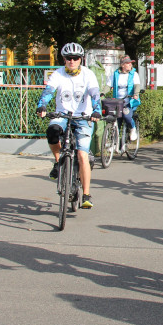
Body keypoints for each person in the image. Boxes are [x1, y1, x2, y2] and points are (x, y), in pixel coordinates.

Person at [36, 43, 102, 209]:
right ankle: (59, 161)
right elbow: (48, 92)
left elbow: (95, 94)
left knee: (82, 155)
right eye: (68, 58)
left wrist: (96, 111)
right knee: (52, 131)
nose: (72, 61)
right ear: (64, 59)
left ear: (81, 59)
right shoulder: (58, 74)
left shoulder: (88, 74)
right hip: (62, 115)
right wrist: (42, 105)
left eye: (75, 58)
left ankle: (86, 194)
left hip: (83, 117)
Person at [109, 56, 142, 141]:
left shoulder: (134, 74)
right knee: (116, 120)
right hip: (117, 101)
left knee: (127, 116)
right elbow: (108, 85)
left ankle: (133, 129)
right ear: (122, 65)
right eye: (128, 63)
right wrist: (102, 93)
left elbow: (137, 85)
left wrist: (135, 94)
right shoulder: (115, 74)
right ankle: (114, 142)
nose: (130, 64)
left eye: (131, 63)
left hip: (129, 101)